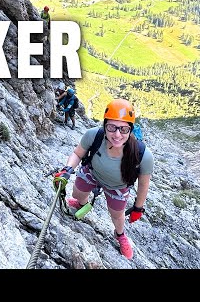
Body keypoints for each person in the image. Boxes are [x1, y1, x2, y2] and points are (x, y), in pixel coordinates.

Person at [55, 99, 154, 260]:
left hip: (118, 186)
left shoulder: (143, 155)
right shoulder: (94, 136)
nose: (117, 134)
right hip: (93, 172)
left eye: (123, 129)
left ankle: (120, 235)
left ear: (130, 130)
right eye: (111, 127)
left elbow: (144, 184)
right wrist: (67, 169)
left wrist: (138, 208)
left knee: (117, 215)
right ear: (105, 126)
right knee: (77, 193)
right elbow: (78, 154)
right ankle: (82, 203)